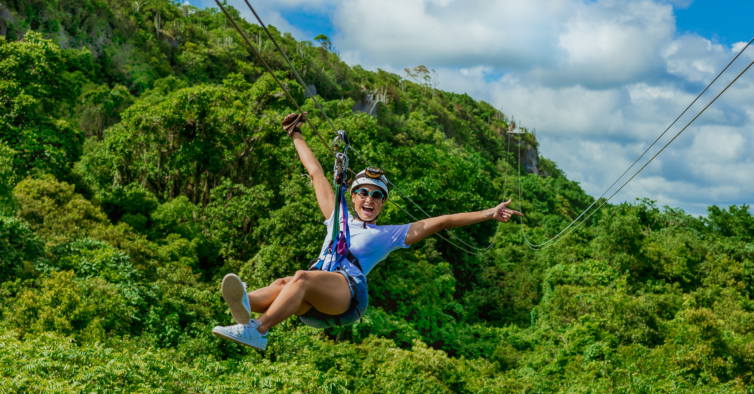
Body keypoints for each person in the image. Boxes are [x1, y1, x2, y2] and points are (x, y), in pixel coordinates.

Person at [211, 113, 523, 350]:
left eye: (377, 196)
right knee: (287, 282)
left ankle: (259, 331)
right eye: (363, 193)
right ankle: (245, 303)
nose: (369, 200)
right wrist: (295, 133)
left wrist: (489, 213)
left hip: (348, 296)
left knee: (300, 277)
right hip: (312, 298)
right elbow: (315, 171)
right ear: (354, 196)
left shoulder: (388, 234)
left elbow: (441, 221)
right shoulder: (337, 215)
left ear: (383, 202)